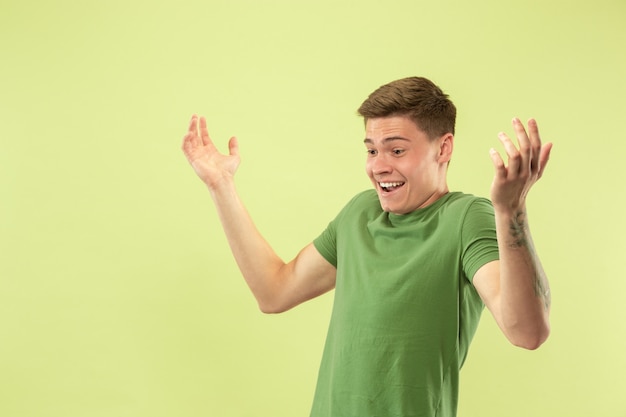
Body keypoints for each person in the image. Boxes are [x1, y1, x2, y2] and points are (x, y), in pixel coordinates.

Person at [181, 76, 552, 417]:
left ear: (444, 148)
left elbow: (526, 331)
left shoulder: (467, 217)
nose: (378, 166)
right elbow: (274, 291)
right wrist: (220, 186)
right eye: (372, 151)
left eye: (396, 151)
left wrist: (511, 210)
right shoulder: (360, 213)